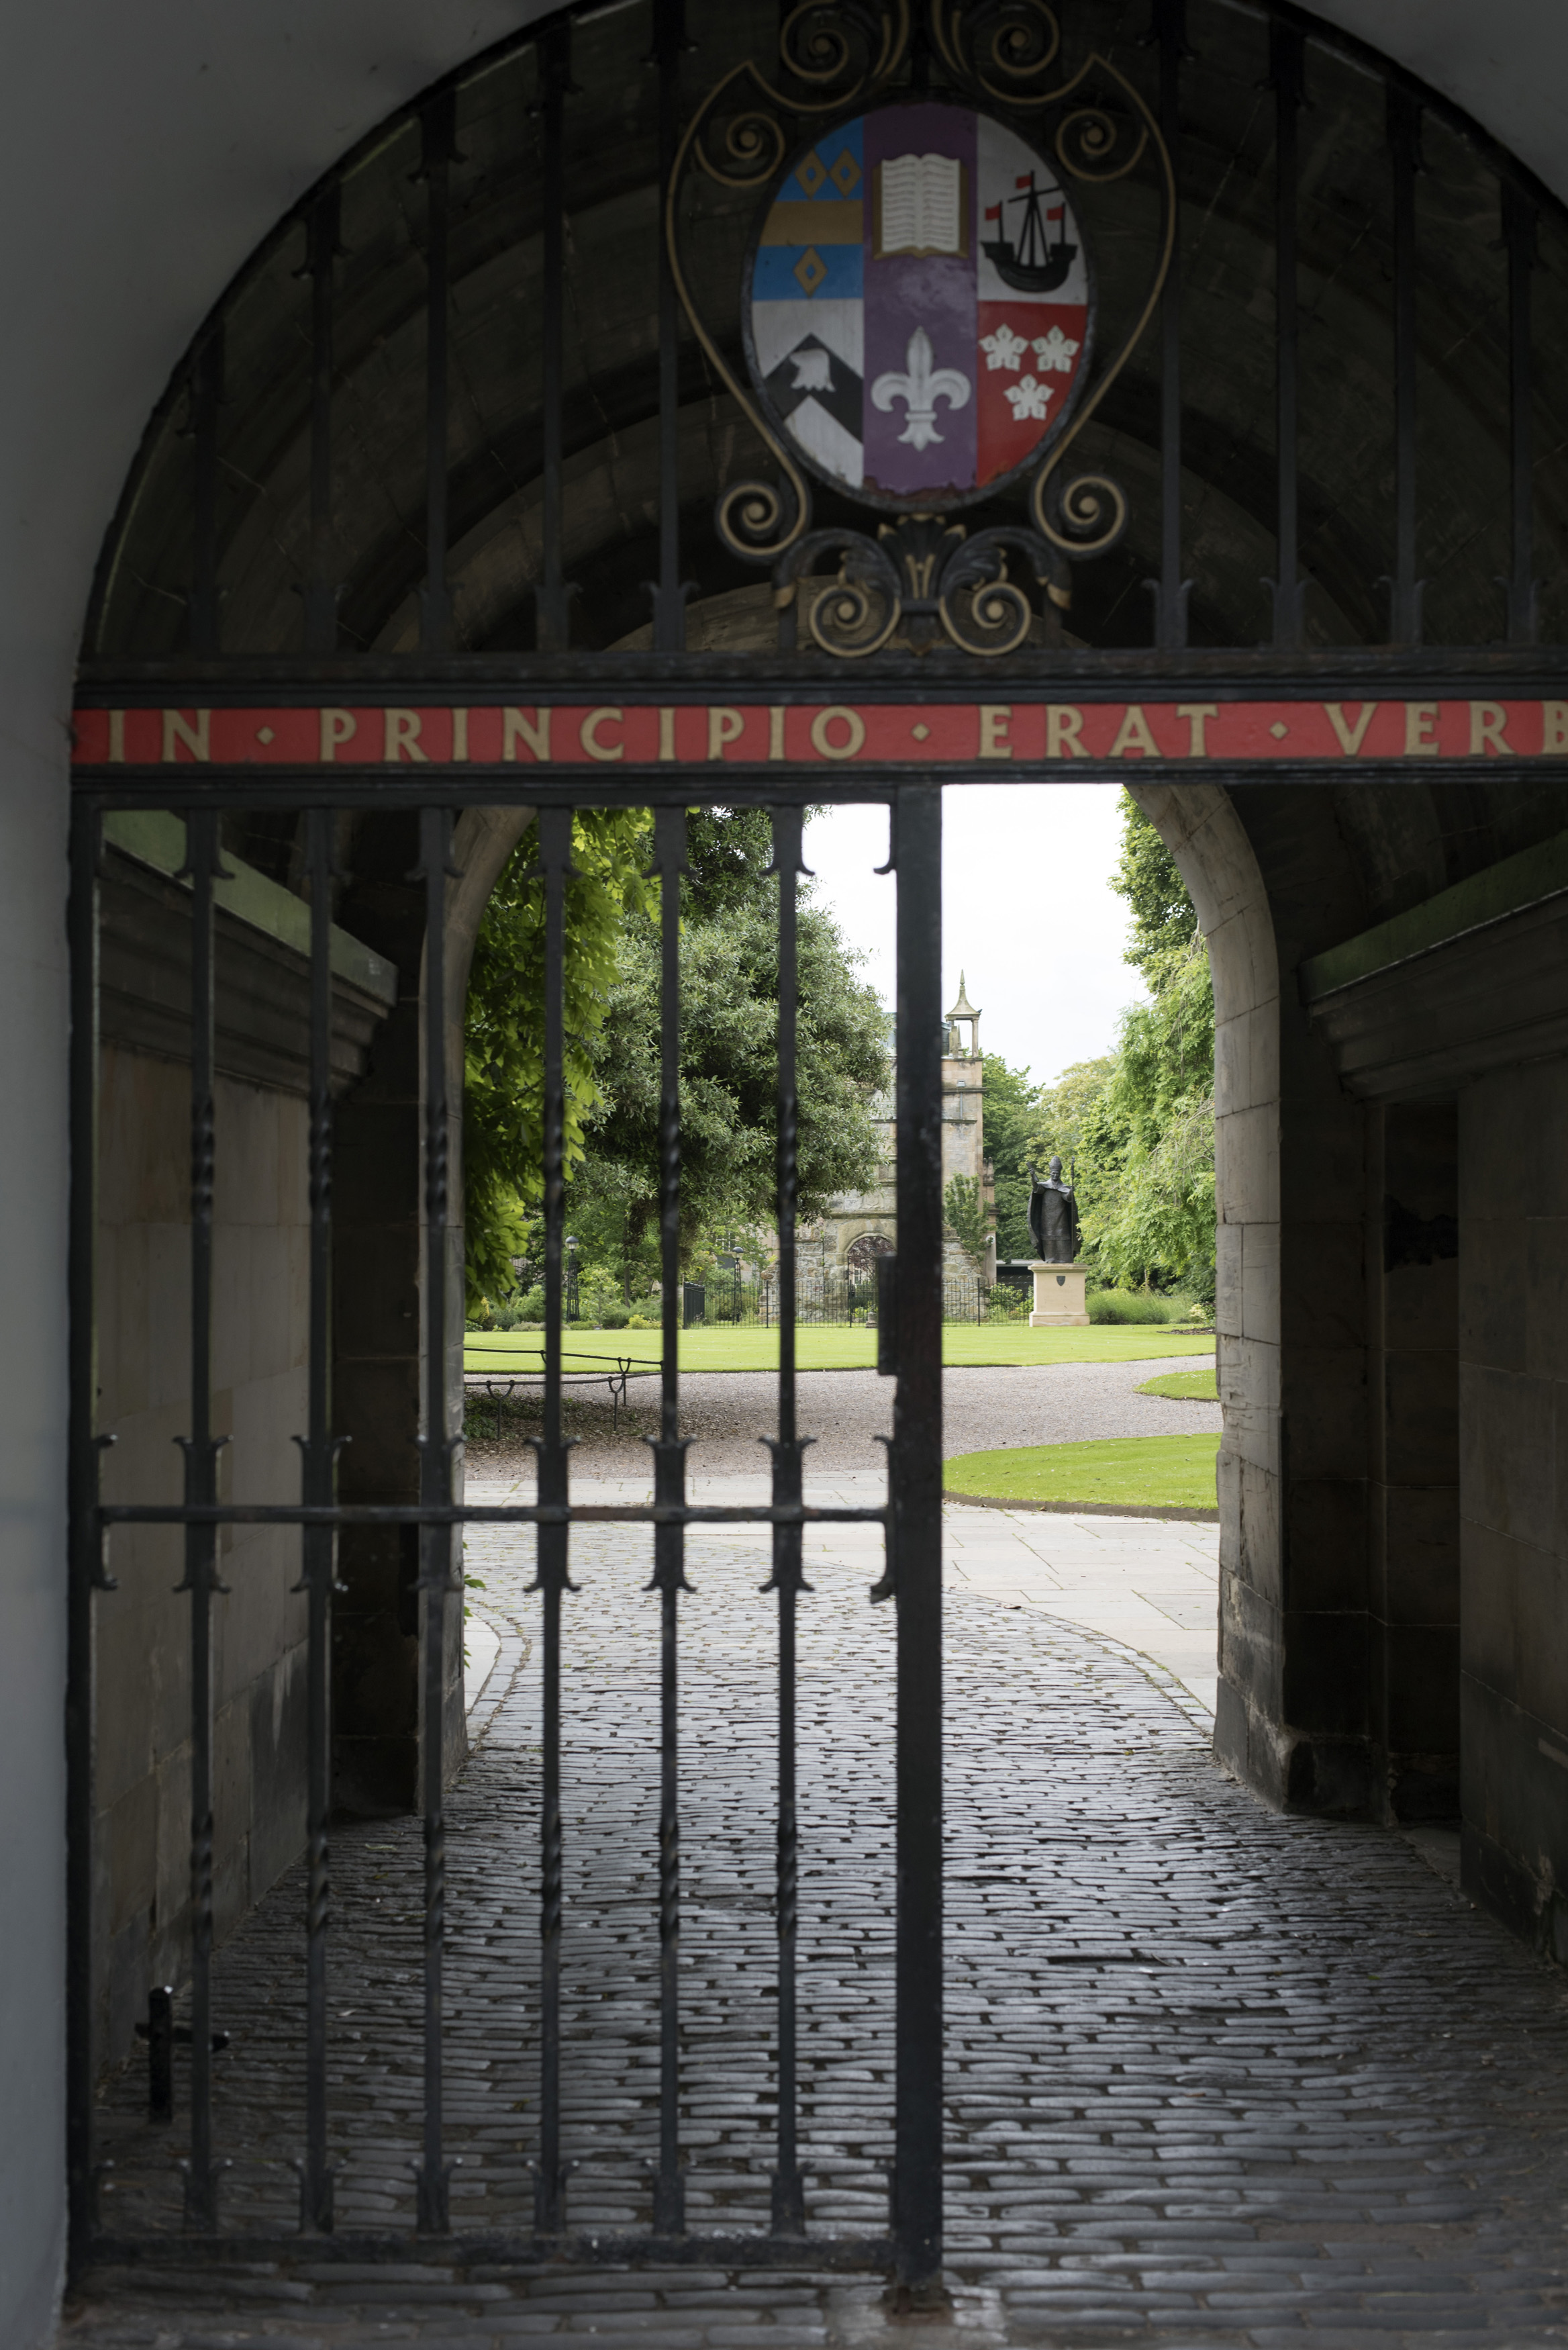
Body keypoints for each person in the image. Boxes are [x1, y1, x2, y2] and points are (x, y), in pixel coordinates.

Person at [1028, 1155, 1079, 1262]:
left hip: (1061, 1220)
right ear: (1050, 1173)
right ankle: (1050, 1259)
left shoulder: (1063, 1188)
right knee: (1049, 1240)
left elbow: (1067, 1198)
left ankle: (1065, 1260)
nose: (1055, 1175)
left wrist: (1071, 1192)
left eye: (1057, 1173)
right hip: (1047, 1220)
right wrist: (1033, 1178)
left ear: (1060, 1174)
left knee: (1063, 1243)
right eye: (1053, 1173)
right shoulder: (1045, 1186)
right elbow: (1037, 1189)